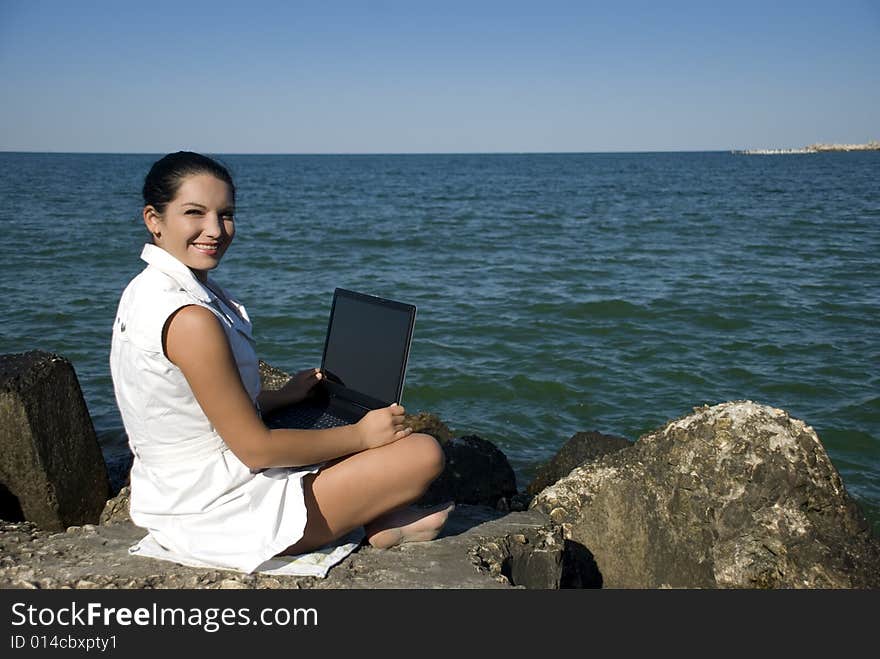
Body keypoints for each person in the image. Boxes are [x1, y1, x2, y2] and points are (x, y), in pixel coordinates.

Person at [110, 151, 453, 573]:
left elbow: (192, 410)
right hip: (215, 511)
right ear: (154, 219)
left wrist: (279, 397)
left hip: (178, 489)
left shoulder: (147, 290)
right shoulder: (191, 319)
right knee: (422, 453)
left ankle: (378, 516)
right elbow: (255, 449)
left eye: (226, 214)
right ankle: (379, 523)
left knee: (329, 423)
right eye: (194, 213)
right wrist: (361, 437)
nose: (215, 230)